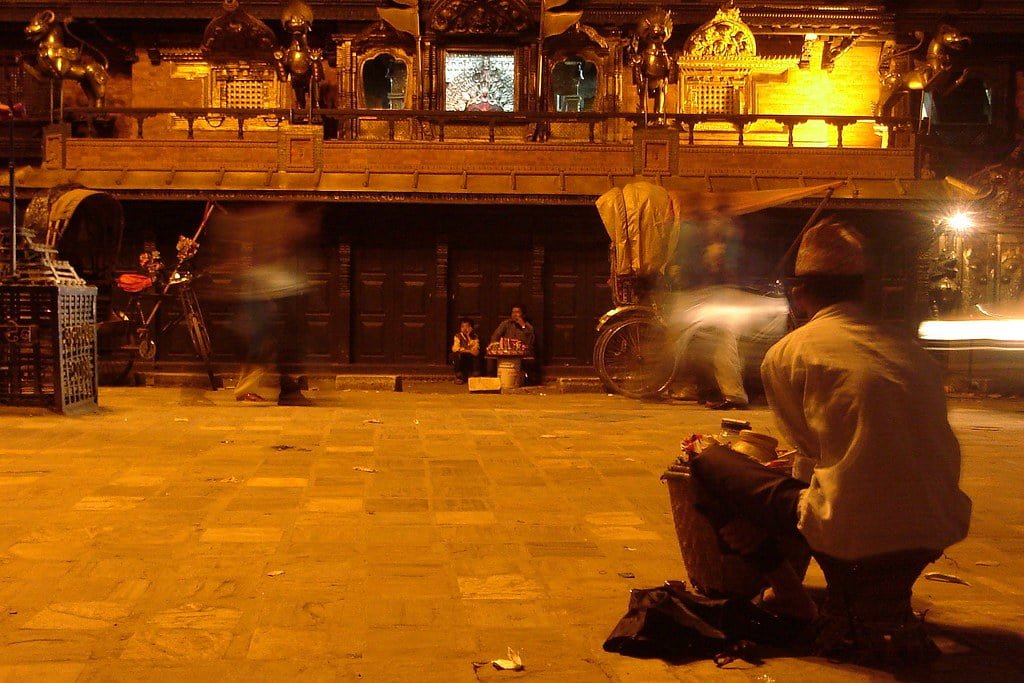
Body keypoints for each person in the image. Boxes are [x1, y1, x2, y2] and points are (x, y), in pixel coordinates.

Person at [689, 218, 972, 620]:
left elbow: (810, 456)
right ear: (865, 291)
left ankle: (791, 595)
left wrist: (760, 519)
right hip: (937, 523)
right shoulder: (912, 351)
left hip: (851, 525)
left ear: (799, 294)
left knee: (706, 459)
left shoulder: (790, 352)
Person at [451, 317, 480, 384]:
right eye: (462, 327)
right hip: (462, 357)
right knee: (455, 354)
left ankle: (475, 375)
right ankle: (459, 376)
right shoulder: (458, 336)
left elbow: (476, 350)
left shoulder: (475, 336)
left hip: (471, 358)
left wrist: (468, 336)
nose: (464, 329)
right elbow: (455, 348)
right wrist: (468, 351)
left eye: (467, 327)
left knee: (476, 356)